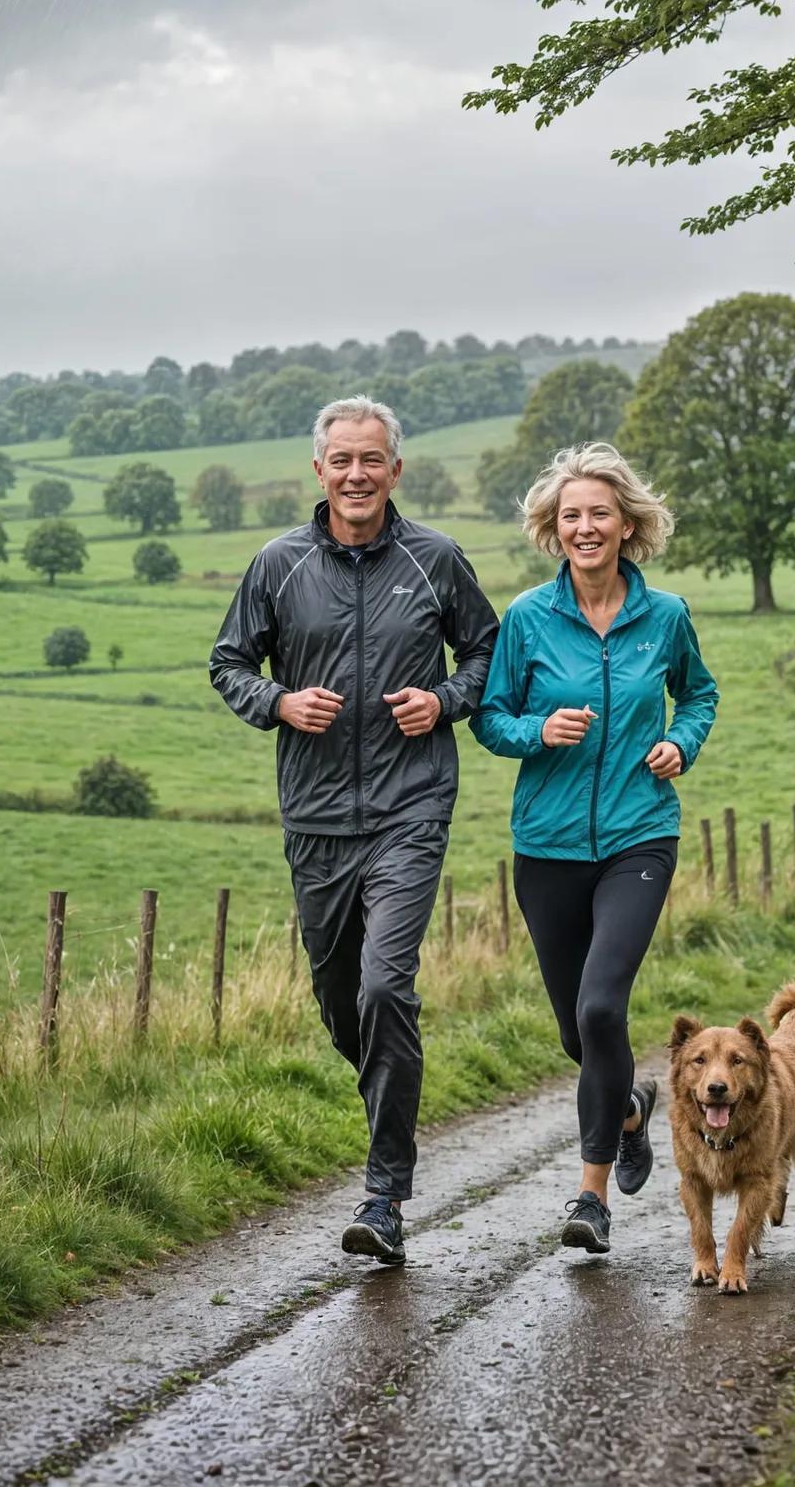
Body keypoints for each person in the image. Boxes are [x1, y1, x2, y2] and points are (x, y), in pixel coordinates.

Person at [208, 395, 498, 1267]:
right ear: (319, 469)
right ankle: (393, 1081)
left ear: (396, 470)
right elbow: (228, 662)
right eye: (343, 460)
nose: (358, 474)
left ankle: (385, 1194)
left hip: (413, 807)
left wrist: (444, 699)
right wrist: (278, 701)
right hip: (317, 814)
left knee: (382, 989)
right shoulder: (279, 565)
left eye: (373, 460)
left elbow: (487, 653)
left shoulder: (436, 560)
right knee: (340, 999)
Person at [472, 442, 718, 1254]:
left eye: (599, 514)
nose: (585, 527)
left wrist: (681, 742)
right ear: (553, 528)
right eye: (570, 515)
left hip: (639, 834)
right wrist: (537, 731)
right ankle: (630, 1106)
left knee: (602, 1006)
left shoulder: (666, 616)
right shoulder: (529, 620)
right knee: (579, 1035)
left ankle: (590, 1198)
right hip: (545, 847)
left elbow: (701, 693)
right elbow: (490, 717)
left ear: (627, 525)